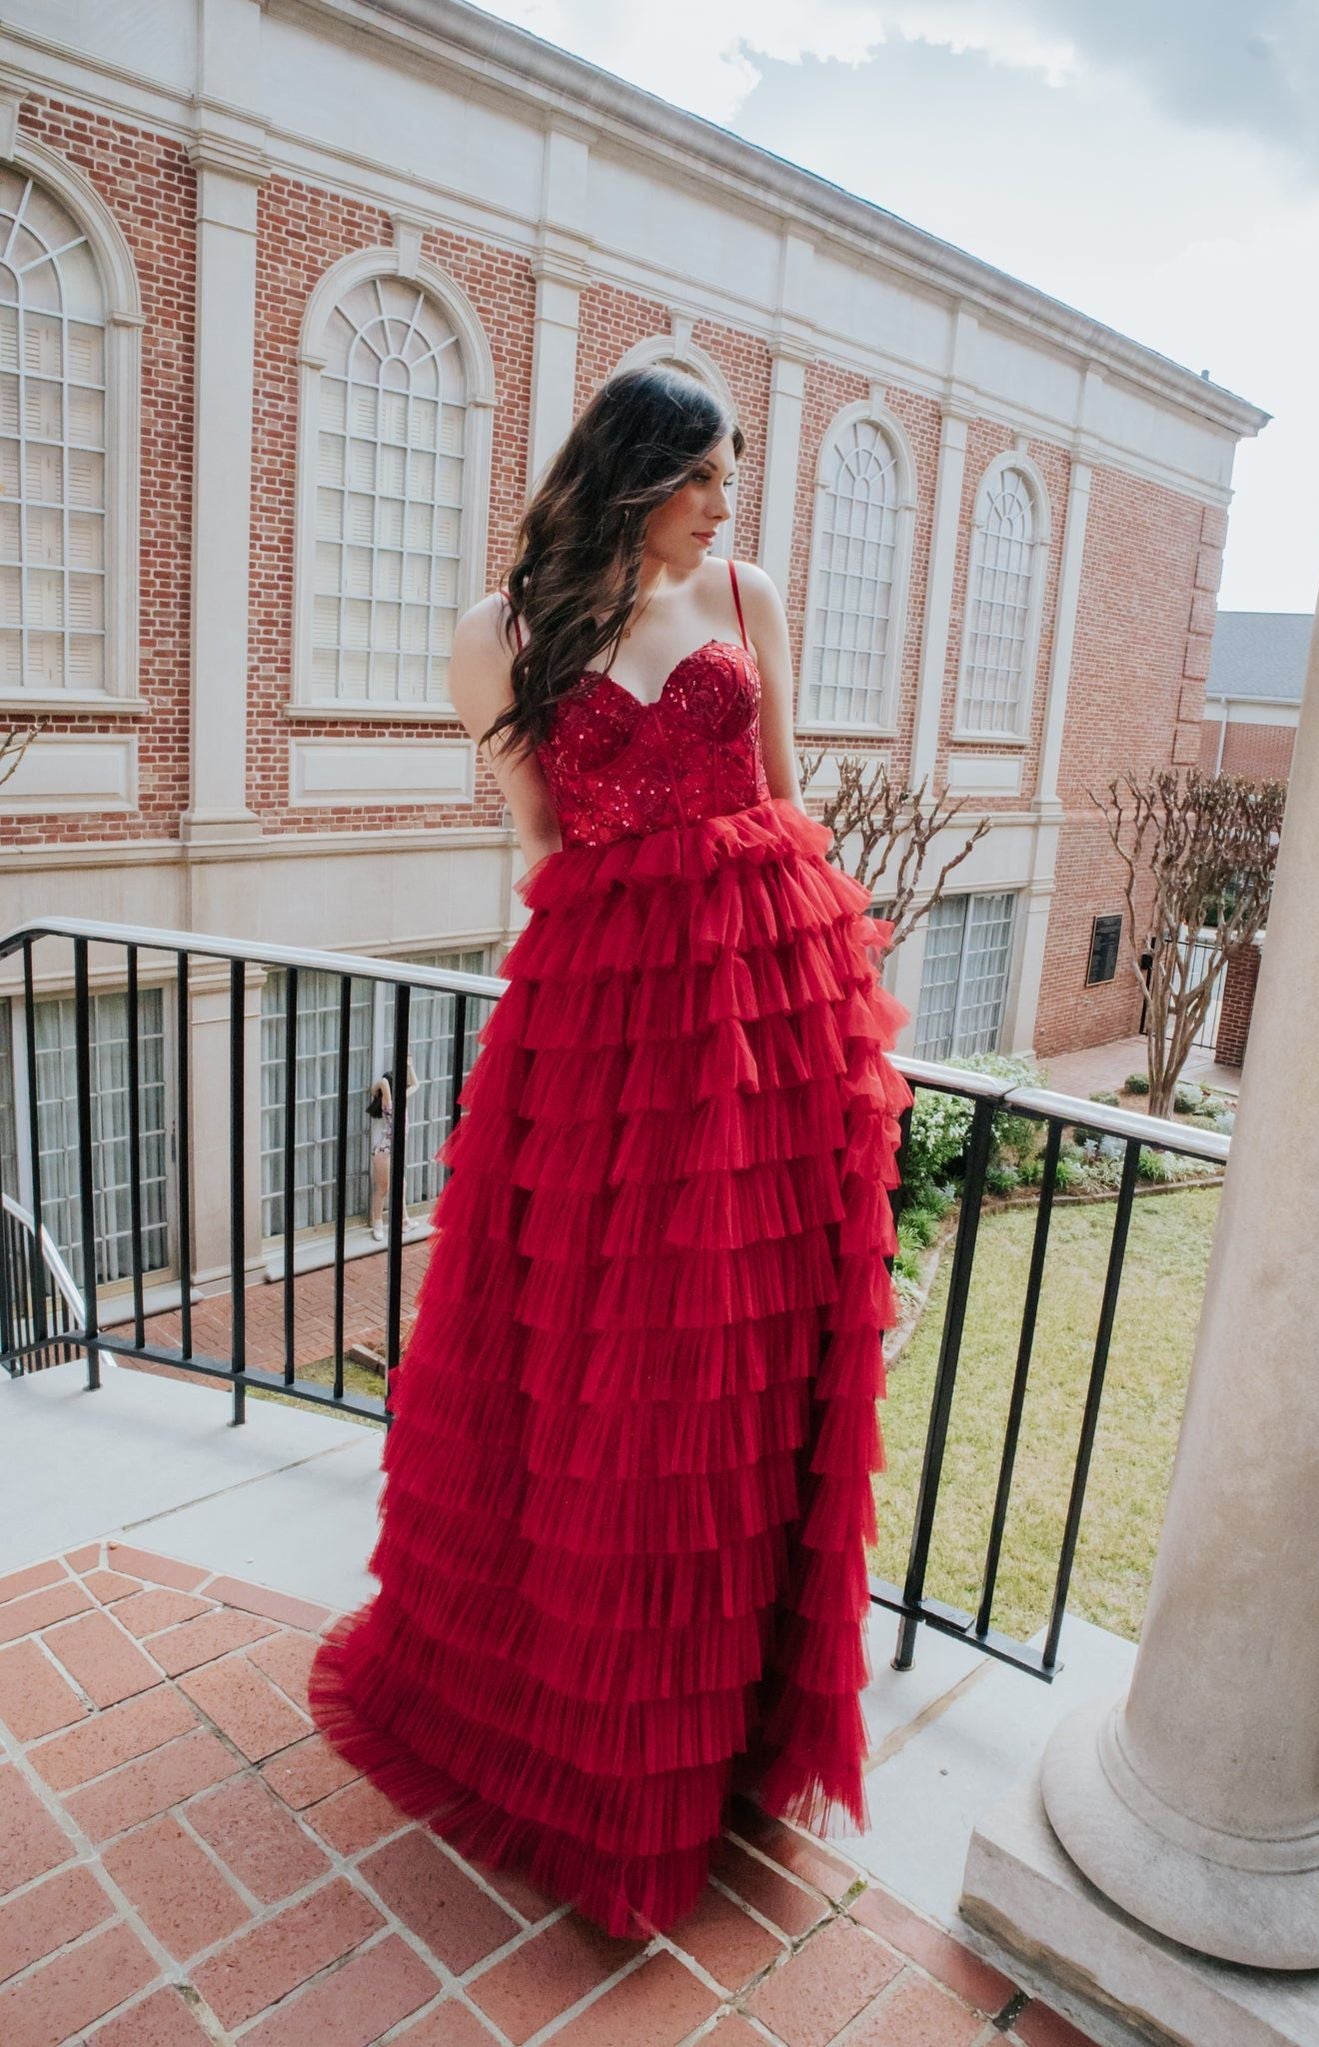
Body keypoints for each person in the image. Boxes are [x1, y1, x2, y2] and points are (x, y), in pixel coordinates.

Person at [306, 365, 915, 1939]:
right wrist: (602, 998)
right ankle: (585, 1738)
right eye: (706, 476)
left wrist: (841, 1035)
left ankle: (715, 1750)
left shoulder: (743, 591)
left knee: (737, 1375)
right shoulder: (498, 634)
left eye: (731, 480)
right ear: (634, 473)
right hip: (607, 1037)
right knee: (607, 1366)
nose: (727, 505)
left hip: (767, 1025)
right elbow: (534, 837)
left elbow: (786, 801)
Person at [366, 1058, 420, 1240]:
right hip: (384, 1153)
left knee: (401, 1186)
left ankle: (404, 1221)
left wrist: (409, 1066)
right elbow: (382, 1082)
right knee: (383, 1187)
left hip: (393, 1153)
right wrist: (377, 1088)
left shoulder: (401, 1099)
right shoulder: (388, 1105)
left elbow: (416, 1085)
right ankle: (377, 1223)